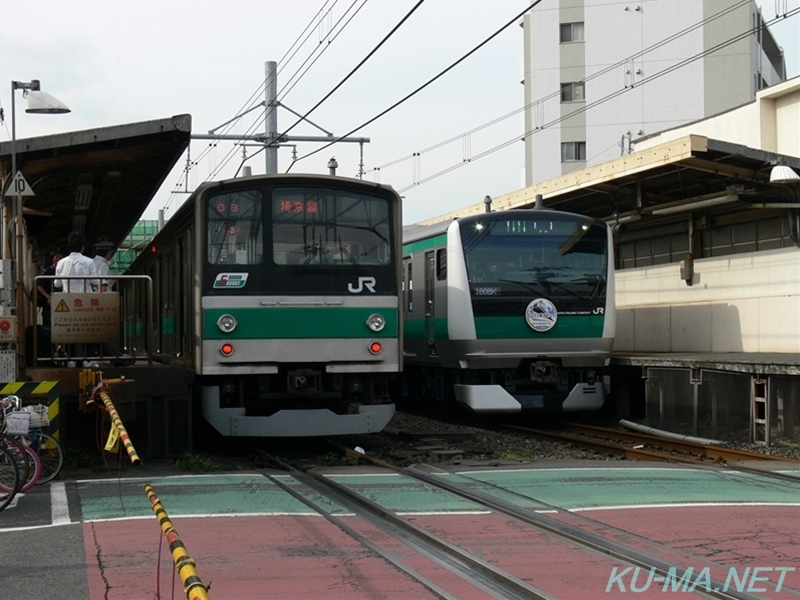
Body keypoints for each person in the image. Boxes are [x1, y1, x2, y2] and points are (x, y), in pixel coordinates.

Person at [54, 231, 99, 366]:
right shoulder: (89, 262)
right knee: (88, 330)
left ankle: (71, 359)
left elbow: (57, 283)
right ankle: (87, 359)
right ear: (83, 247)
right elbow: (96, 282)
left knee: (71, 330)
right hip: (86, 301)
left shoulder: (61, 263)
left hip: (68, 301)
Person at [36, 250, 63, 329]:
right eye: (56, 257)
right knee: (48, 324)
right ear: (52, 259)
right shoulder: (48, 271)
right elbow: (39, 286)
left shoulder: (64, 271)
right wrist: (48, 297)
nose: (58, 260)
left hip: (61, 299)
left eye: (60, 258)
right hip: (48, 303)